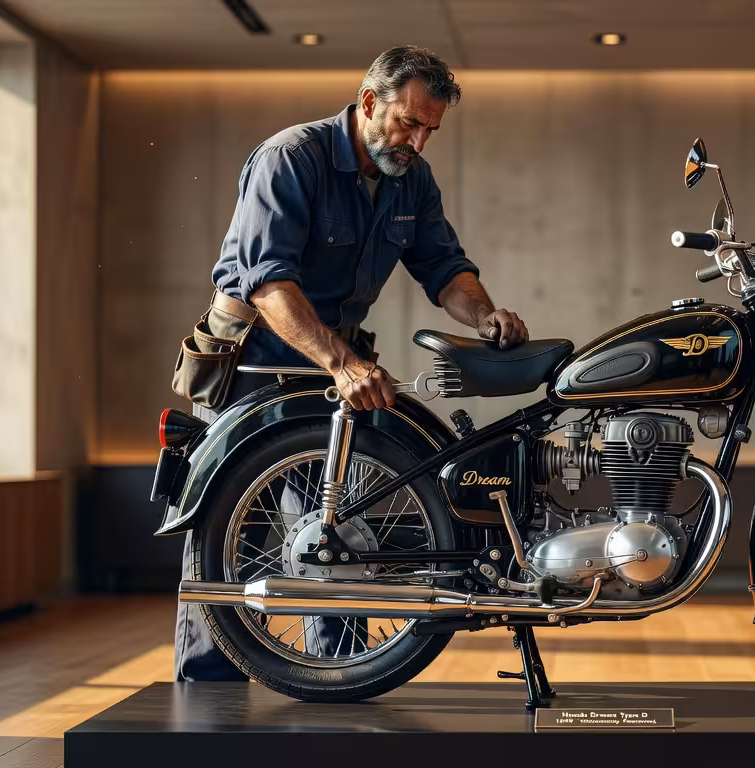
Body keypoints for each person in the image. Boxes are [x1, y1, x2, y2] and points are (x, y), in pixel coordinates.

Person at [175, 45, 528, 681]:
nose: (418, 141)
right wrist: (341, 362)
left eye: (430, 130)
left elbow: (444, 268)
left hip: (331, 367)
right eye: (408, 123)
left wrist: (484, 315)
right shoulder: (291, 158)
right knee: (233, 533)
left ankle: (338, 678)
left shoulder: (410, 179)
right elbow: (267, 282)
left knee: (338, 529)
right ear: (370, 102)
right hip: (253, 364)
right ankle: (207, 698)